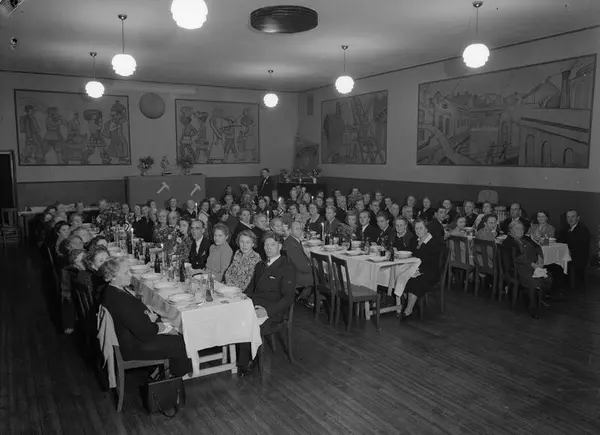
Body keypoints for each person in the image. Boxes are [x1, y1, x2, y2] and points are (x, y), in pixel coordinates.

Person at [99, 259, 192, 377]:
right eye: (126, 273)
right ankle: (175, 377)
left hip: (130, 338)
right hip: (134, 346)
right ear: (113, 277)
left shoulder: (112, 290)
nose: (130, 275)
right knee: (179, 341)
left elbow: (133, 317)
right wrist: (162, 327)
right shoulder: (120, 300)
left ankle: (164, 371)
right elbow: (145, 333)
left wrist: (146, 314)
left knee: (169, 327)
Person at [237, 232, 296, 376]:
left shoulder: (287, 267)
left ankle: (247, 360)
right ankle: (242, 357)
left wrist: (267, 311)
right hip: (256, 305)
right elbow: (250, 289)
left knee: (247, 323)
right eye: (266, 245)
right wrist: (239, 298)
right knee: (236, 316)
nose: (268, 248)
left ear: (280, 246)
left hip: (274, 311)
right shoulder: (260, 266)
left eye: (272, 245)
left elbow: (288, 298)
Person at [501, 221, 552, 318]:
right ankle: (533, 308)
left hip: (530, 266)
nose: (520, 231)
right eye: (517, 228)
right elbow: (518, 258)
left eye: (522, 229)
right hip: (515, 269)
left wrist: (540, 260)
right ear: (510, 230)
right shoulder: (508, 242)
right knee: (532, 280)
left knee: (547, 276)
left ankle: (538, 299)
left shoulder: (525, 238)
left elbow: (537, 247)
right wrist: (533, 265)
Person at [400, 220, 443, 320]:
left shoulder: (434, 242)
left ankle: (408, 309)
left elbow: (431, 262)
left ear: (426, 229)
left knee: (415, 280)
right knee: (402, 276)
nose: (418, 231)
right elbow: (410, 253)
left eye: (421, 228)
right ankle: (409, 303)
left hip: (430, 271)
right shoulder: (414, 240)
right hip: (415, 268)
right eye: (416, 228)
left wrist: (418, 270)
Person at [283, 222, 314, 305]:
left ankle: (305, 295)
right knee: (320, 274)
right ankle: (307, 298)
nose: (300, 231)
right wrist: (313, 266)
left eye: (301, 228)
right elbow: (303, 267)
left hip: (293, 270)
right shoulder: (291, 245)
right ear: (290, 231)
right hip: (297, 274)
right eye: (296, 229)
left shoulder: (292, 240)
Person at [561, 209, 591, 288]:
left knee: (558, 264)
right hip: (570, 255)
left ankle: (567, 288)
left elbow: (581, 247)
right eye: (568, 217)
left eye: (573, 217)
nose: (570, 219)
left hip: (580, 258)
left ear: (578, 218)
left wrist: (569, 251)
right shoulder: (567, 228)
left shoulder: (583, 229)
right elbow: (561, 240)